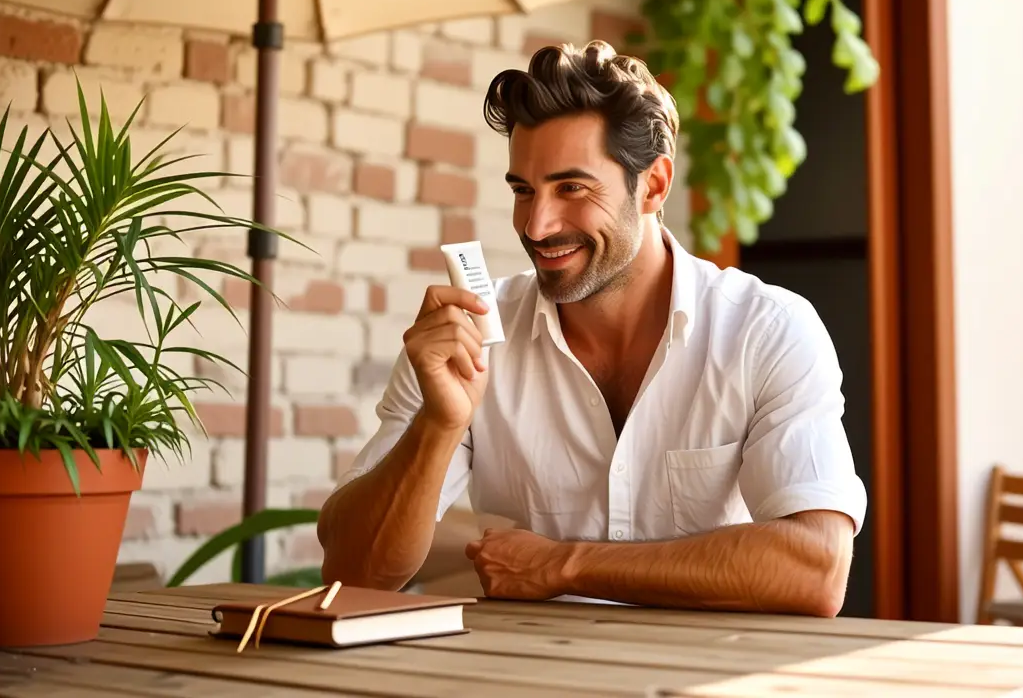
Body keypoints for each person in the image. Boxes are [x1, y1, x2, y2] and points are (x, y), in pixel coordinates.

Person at [317, 40, 867, 617]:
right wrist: (439, 423)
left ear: (653, 185)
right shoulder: (470, 337)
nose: (536, 224)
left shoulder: (766, 330)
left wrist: (564, 564)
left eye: (571, 188)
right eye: (523, 190)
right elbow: (354, 572)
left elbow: (816, 568)